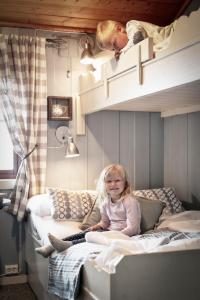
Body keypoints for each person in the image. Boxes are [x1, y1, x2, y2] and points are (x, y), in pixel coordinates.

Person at [35, 164, 141, 258]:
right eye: (109, 181)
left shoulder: (129, 201)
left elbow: (133, 228)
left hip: (126, 234)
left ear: (125, 183)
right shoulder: (105, 202)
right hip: (110, 232)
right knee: (87, 232)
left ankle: (69, 244)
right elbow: (105, 222)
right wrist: (96, 227)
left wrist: (113, 235)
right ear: (104, 184)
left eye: (117, 180)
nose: (113, 184)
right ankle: (51, 247)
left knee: (91, 236)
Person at [96, 19, 177, 60]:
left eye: (114, 44)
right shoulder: (129, 49)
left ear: (119, 29)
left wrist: (122, 53)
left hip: (173, 31)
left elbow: (138, 40)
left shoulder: (131, 26)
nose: (117, 49)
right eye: (113, 49)